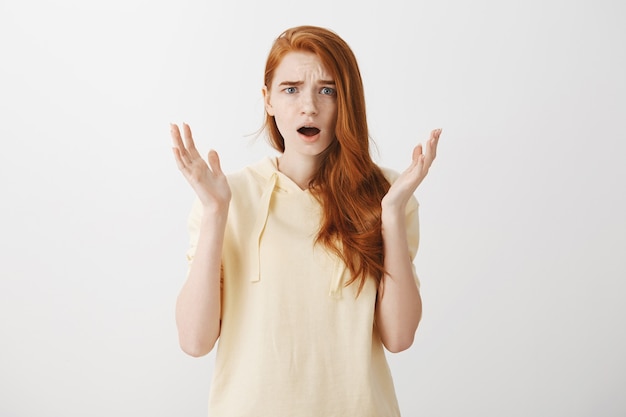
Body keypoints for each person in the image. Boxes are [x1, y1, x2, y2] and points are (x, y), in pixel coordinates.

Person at [170, 25, 441, 417]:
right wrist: (215, 214)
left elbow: (399, 337)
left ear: (346, 100)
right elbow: (194, 341)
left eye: (327, 90)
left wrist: (392, 213)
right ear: (268, 100)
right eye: (291, 89)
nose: (309, 106)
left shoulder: (387, 194)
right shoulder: (226, 197)